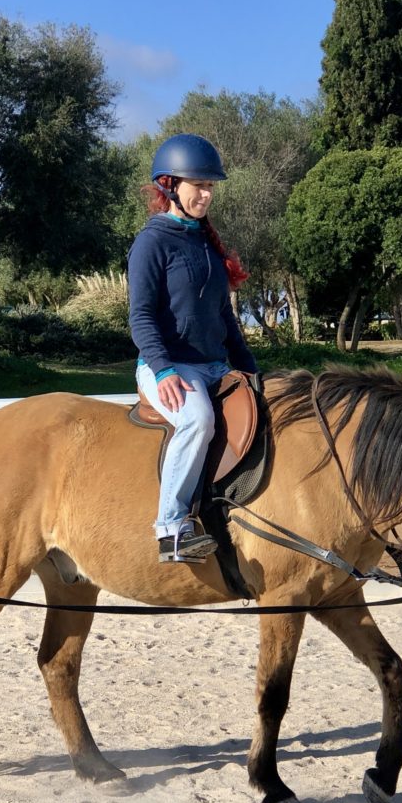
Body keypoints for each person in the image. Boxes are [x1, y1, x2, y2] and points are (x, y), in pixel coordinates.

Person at [128, 133, 259, 564]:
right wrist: (163, 370)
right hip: (167, 367)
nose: (206, 194)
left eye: (211, 187)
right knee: (198, 419)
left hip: (214, 365)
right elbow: (141, 316)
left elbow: (224, 319)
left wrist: (252, 370)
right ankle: (171, 529)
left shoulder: (204, 241)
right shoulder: (151, 243)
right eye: (198, 185)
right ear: (170, 186)